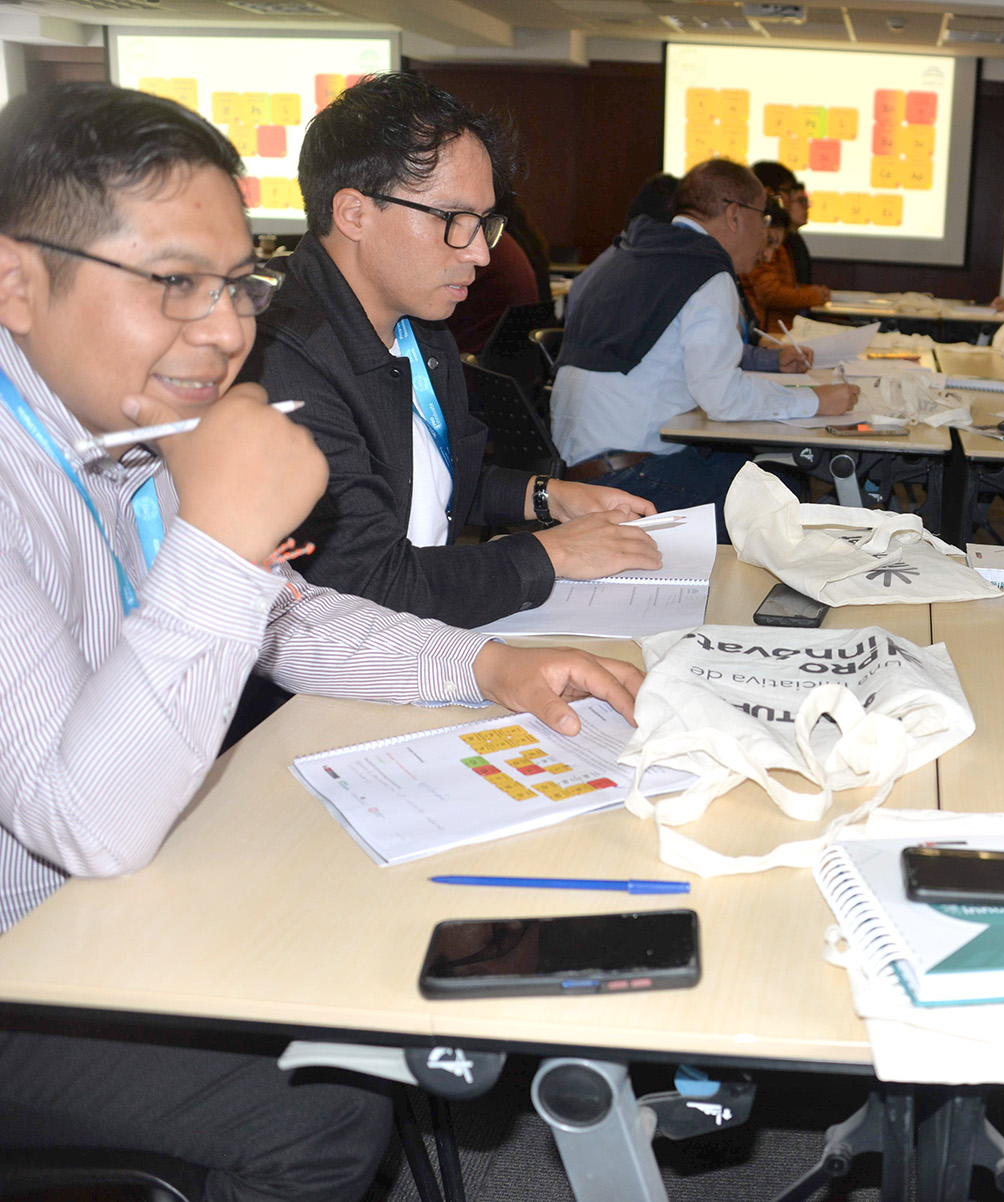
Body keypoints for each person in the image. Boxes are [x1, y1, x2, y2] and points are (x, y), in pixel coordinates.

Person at [0, 81, 644, 1198]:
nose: (226, 329)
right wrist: (222, 536)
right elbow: (84, 823)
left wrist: (486, 664)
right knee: (321, 1113)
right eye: (173, 284)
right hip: (35, 942)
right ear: (16, 282)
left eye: (235, 282)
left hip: (117, 885)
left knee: (418, 925)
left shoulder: (127, 427)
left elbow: (291, 622)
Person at [244, 73, 662, 632]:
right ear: (353, 213)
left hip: (427, 639)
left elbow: (429, 483)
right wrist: (553, 553)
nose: (479, 253)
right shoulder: (279, 364)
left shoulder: (422, 326)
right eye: (453, 221)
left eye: (484, 223)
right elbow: (369, 586)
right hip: (336, 681)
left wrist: (546, 498)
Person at [549, 159, 857, 518]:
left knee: (746, 466)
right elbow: (722, 399)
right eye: (765, 218)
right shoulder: (705, 271)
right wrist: (814, 401)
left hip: (569, 473)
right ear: (735, 215)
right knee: (780, 492)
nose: (764, 232)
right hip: (629, 478)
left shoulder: (620, 253)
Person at [444, 228, 538, 354]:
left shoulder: (475, 242)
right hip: (510, 356)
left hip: (475, 358)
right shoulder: (501, 240)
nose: (483, 257)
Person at [746, 198, 829, 336]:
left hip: (778, 330)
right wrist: (815, 295)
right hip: (765, 332)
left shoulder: (778, 250)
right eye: (769, 242)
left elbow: (786, 287)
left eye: (776, 244)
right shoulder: (754, 252)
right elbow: (770, 294)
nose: (768, 254)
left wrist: (813, 291)